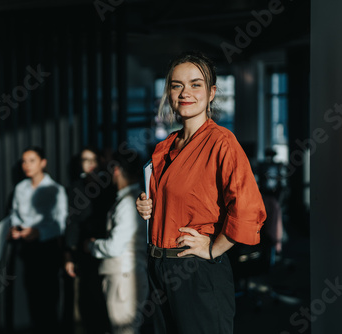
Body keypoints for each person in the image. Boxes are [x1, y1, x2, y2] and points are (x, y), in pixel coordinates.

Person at [135, 51, 267, 334]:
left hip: (195, 269)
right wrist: (148, 206)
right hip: (158, 267)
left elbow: (248, 208)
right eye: (176, 84)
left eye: (196, 84)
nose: (185, 92)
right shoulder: (165, 147)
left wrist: (212, 248)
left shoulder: (221, 142)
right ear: (169, 92)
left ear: (211, 93)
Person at [85, 149, 148, 334]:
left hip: (124, 278)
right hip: (125, 277)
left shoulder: (128, 203)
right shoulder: (130, 200)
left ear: (117, 170)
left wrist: (91, 245)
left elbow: (114, 247)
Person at [8, 146, 68, 333]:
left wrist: (39, 232)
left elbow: (61, 223)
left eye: (31, 160)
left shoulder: (56, 189)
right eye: (24, 161)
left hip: (47, 248)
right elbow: (14, 214)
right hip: (24, 247)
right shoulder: (20, 188)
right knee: (27, 296)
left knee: (47, 297)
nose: (27, 165)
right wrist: (16, 228)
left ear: (43, 162)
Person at [64, 147, 114, 334]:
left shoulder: (109, 184)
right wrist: (68, 254)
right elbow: (71, 222)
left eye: (93, 159)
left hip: (105, 249)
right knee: (85, 301)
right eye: (86, 160)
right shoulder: (74, 187)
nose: (90, 163)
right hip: (83, 251)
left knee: (105, 301)